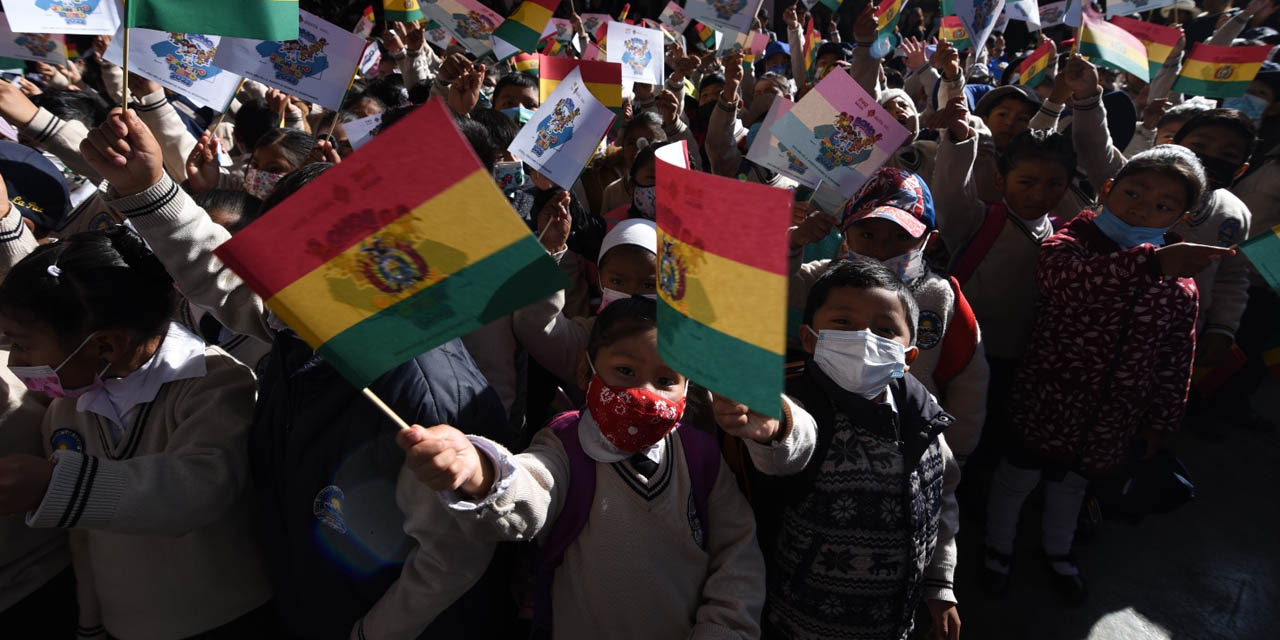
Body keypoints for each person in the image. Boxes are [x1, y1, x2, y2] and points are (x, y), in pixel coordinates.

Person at [81, 108, 513, 639]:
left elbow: (452, 561)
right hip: (308, 598)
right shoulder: (303, 324)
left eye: (306, 259)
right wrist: (147, 188)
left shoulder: (426, 393)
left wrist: (367, 634)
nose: (275, 280)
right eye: (277, 258)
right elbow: (215, 272)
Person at [401, 297, 768, 639]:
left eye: (666, 380)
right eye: (625, 370)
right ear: (585, 369)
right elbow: (533, 487)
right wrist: (482, 473)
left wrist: (724, 628)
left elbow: (737, 552)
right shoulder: (564, 444)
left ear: (687, 389)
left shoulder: (701, 455)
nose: (646, 394)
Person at [0, 225, 275, 638]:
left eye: (21, 346)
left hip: (225, 620)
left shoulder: (213, 383)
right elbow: (84, 541)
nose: (14, 363)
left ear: (105, 346)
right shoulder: (66, 410)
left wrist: (57, 486)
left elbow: (199, 489)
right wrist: (90, 622)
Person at [984, 146, 1228, 601]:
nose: (1142, 209)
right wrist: (1148, 265)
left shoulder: (1182, 281)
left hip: (1112, 415)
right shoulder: (1069, 242)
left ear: (1183, 216)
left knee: (1073, 484)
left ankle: (1058, 551)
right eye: (1133, 193)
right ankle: (997, 548)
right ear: (1108, 189)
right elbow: (1065, 284)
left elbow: (1177, 355)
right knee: (1017, 475)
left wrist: (1162, 419)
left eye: (1162, 205)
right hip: (1047, 397)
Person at [718, 258, 960, 640]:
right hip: (804, 623)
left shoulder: (924, 415)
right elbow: (793, 445)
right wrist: (776, 426)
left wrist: (940, 584)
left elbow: (942, 497)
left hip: (895, 623)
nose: (864, 338)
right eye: (844, 323)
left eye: (884, 329)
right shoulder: (805, 405)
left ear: (908, 358)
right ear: (811, 338)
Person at [789, 168, 989, 464]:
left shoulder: (941, 295)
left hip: (912, 441)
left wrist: (956, 448)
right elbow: (769, 283)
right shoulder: (824, 277)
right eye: (868, 235)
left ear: (929, 240)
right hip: (823, 432)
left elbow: (968, 376)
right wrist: (793, 242)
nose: (882, 250)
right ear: (844, 232)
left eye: (900, 237)